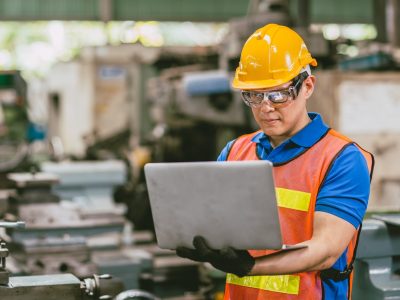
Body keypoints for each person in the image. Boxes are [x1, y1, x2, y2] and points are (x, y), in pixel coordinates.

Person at [176, 23, 374, 299]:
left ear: (307, 86)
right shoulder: (235, 152)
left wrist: (251, 266)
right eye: (255, 96)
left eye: (278, 94)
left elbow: (325, 251)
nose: (266, 107)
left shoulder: (341, 159)